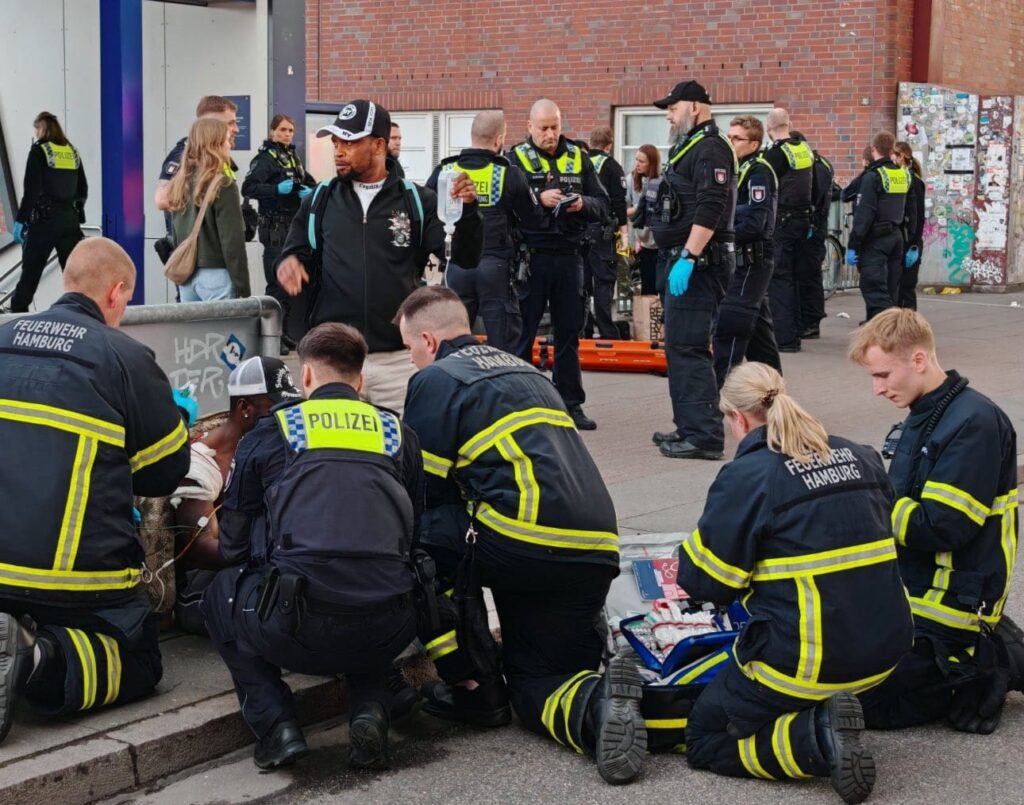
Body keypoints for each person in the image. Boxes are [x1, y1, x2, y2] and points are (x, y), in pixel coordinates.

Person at [396, 287, 647, 785]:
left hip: (523, 542)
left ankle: (475, 686)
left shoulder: (436, 379)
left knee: (417, 539)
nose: (411, 359)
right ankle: (600, 705)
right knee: (537, 683)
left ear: (427, 340)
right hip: (594, 548)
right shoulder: (527, 370)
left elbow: (425, 492)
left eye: (409, 348)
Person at [674, 361, 914, 804]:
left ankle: (817, 739)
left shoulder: (749, 476)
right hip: (887, 653)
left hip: (809, 664)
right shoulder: (860, 455)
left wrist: (690, 551)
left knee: (706, 736)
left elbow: (707, 583)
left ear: (737, 418)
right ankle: (826, 715)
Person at [201, 322, 422, 770]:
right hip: (391, 623)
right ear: (360, 379)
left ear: (305, 375)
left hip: (296, 626)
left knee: (220, 593)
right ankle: (370, 708)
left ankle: (277, 727)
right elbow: (415, 531)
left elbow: (234, 548)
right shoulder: (398, 432)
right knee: (370, 584)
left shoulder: (271, 432)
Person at [0, 238, 190, 745]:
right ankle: (36, 659)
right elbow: (163, 474)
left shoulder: (3, 337)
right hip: (71, 579)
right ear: (116, 292)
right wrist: (170, 417)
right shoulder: (124, 357)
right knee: (139, 654)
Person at [849, 309, 1022, 734]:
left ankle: (987, 663)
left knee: (869, 702)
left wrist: (868, 502)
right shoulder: (929, 411)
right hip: (916, 594)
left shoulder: (973, 422)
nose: (877, 389)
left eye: (883, 375)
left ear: (919, 359)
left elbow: (941, 526)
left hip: (951, 607)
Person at [275, 100, 483, 414]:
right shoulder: (320, 200)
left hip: (398, 359)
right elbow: (293, 251)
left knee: (404, 441)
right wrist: (288, 264)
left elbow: (464, 258)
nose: (339, 151)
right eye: (336, 142)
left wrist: (467, 213)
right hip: (334, 359)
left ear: (379, 145)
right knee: (337, 444)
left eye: (349, 142)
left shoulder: (417, 200)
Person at [168, 357, 301, 635]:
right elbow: (204, 550)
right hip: (204, 587)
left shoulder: (274, 447)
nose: (284, 416)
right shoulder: (199, 464)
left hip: (259, 569)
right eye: (274, 408)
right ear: (244, 408)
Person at [647, 80, 737, 460]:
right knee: (680, 347)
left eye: (673, 108)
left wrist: (688, 256)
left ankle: (703, 437)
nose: (669, 115)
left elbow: (711, 205)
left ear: (694, 107)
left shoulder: (711, 148)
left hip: (700, 262)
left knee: (689, 347)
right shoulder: (692, 146)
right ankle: (689, 427)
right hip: (686, 259)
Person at [508, 99, 610, 430]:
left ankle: (571, 404)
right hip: (531, 258)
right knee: (523, 334)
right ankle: (521, 405)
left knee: (568, 333)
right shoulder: (515, 158)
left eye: (555, 127)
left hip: (570, 257)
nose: (550, 134)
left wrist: (582, 203)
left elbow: (604, 204)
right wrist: (536, 199)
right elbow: (505, 206)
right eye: (544, 128)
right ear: (530, 127)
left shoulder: (579, 157)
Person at [426, 110, 539, 353]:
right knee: (504, 346)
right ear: (499, 140)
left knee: (451, 341)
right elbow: (532, 220)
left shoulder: (446, 170)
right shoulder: (508, 172)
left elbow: (427, 214)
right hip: (496, 268)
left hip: (456, 266)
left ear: (472, 135)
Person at [713, 115, 780, 386]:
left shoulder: (759, 171)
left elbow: (755, 221)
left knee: (731, 324)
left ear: (753, 144)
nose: (730, 142)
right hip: (740, 258)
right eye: (728, 137)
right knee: (760, 335)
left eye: (736, 138)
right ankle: (773, 393)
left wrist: (721, 233)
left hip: (752, 258)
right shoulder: (736, 168)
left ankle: (719, 393)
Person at [241, 115, 316, 352]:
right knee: (276, 284)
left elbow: (310, 182)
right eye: (282, 130)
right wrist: (275, 190)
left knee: (288, 285)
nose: (287, 134)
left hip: (291, 227)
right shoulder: (265, 159)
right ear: (272, 132)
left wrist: (310, 190)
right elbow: (248, 188)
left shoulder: (293, 157)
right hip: (273, 227)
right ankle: (272, 336)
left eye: (290, 130)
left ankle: (283, 332)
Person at [9, 111, 88, 313]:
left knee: (30, 274)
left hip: (43, 222)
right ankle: (81, 314)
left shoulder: (39, 151)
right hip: (69, 222)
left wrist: (20, 220)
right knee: (74, 275)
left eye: (36, 129)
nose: (36, 134)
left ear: (42, 128)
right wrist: (75, 211)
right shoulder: (72, 152)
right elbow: (83, 189)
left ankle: (16, 316)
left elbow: (31, 191)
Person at [168, 119, 251, 301]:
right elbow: (232, 242)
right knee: (226, 322)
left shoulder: (180, 183)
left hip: (186, 277)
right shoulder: (224, 185)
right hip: (217, 277)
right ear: (216, 144)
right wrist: (243, 287)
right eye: (227, 140)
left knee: (191, 322)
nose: (230, 145)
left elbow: (176, 234)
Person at [762, 109, 815, 353]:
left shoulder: (775, 153)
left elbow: (766, 186)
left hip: (782, 221)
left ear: (769, 128)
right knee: (795, 277)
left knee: (780, 279)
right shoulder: (803, 148)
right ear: (788, 123)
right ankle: (797, 330)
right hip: (802, 220)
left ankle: (785, 339)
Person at [846, 132, 910, 323]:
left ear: (873, 148)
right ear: (892, 149)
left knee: (874, 289)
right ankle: (882, 331)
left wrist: (853, 245)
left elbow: (864, 214)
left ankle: (890, 329)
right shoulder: (901, 174)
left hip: (875, 239)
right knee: (890, 289)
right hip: (896, 236)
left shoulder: (873, 176)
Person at [155, 96, 240, 216]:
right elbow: (162, 200)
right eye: (230, 123)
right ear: (210, 124)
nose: (236, 129)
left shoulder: (215, 154)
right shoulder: (186, 153)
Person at [584, 125, 629, 339]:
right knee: (603, 283)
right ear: (609, 146)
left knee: (582, 285)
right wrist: (624, 236)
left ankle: (583, 330)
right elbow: (619, 203)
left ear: (590, 143)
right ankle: (607, 332)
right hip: (603, 234)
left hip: (580, 233)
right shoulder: (612, 166)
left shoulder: (580, 163)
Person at [792, 131, 836, 340]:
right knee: (810, 275)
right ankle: (809, 320)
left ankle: (810, 322)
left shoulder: (812, 165)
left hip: (811, 228)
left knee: (808, 276)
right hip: (817, 226)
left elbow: (813, 198)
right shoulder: (823, 163)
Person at [893, 142, 925, 310]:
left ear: (901, 157)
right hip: (901, 238)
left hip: (909, 239)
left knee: (907, 286)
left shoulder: (914, 181)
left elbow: (919, 215)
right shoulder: (900, 178)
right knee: (897, 286)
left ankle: (910, 320)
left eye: (893, 155)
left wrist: (914, 244)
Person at [625, 144, 660, 295]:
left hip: (660, 243)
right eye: (636, 160)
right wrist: (638, 208)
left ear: (652, 163)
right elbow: (622, 210)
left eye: (642, 161)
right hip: (642, 243)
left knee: (661, 287)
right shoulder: (631, 179)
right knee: (647, 288)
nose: (637, 164)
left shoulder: (661, 182)